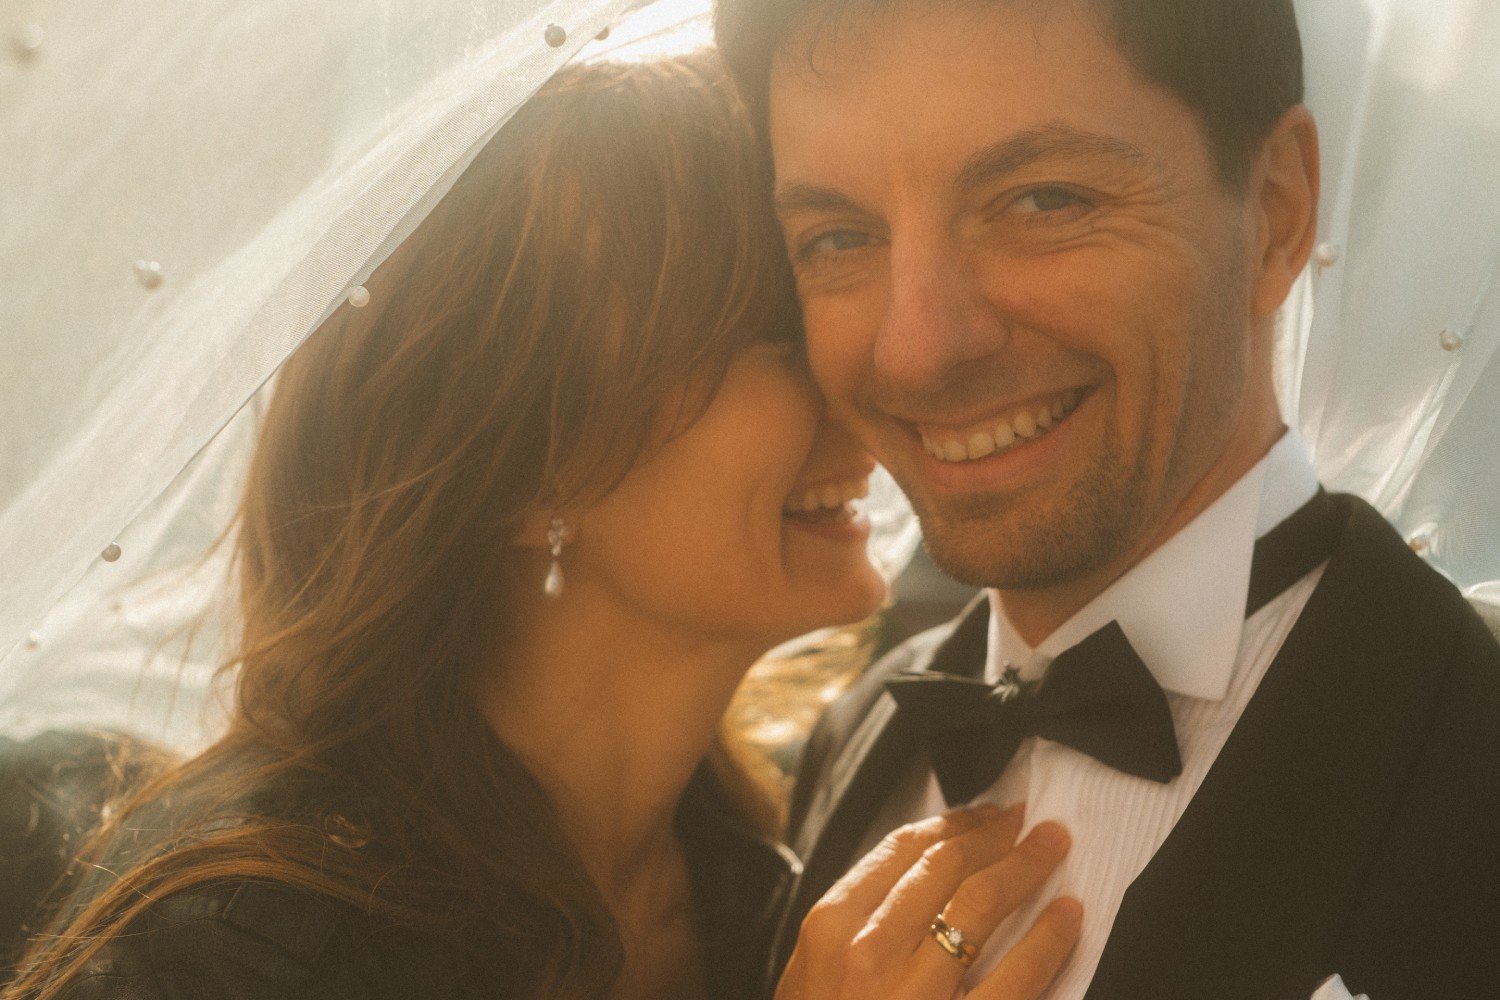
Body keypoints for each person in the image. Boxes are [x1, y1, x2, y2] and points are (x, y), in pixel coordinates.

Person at [2, 52, 1083, 1000]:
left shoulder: (766, 886)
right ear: (521, 465)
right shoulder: (233, 956)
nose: (870, 375)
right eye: (768, 332)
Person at [712, 0, 1500, 996]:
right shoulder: (857, 731)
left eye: (1041, 200)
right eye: (837, 238)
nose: (918, 347)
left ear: (1276, 211)